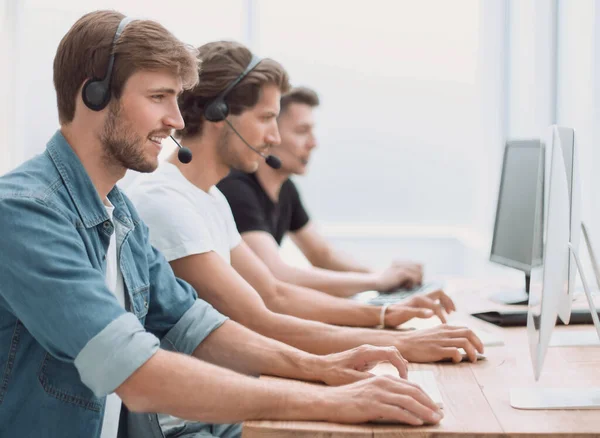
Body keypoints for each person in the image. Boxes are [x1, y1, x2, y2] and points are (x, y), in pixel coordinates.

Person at [0, 12, 442, 438]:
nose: (176, 119)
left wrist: (323, 368)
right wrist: (332, 400)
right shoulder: (25, 213)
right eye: (158, 97)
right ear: (93, 95)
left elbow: (196, 325)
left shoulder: (120, 215)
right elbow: (135, 373)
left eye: (177, 99)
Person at [127, 40, 483, 369]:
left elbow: (275, 293)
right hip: (188, 416)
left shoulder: (210, 197)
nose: (275, 137)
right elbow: (262, 317)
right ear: (220, 115)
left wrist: (386, 316)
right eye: (266, 118)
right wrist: (403, 343)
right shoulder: (166, 202)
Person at [218, 86, 427, 298]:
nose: (313, 143)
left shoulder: (286, 189)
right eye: (301, 131)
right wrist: (376, 281)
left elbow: (322, 254)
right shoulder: (236, 188)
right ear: (270, 134)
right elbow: (275, 273)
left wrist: (383, 275)